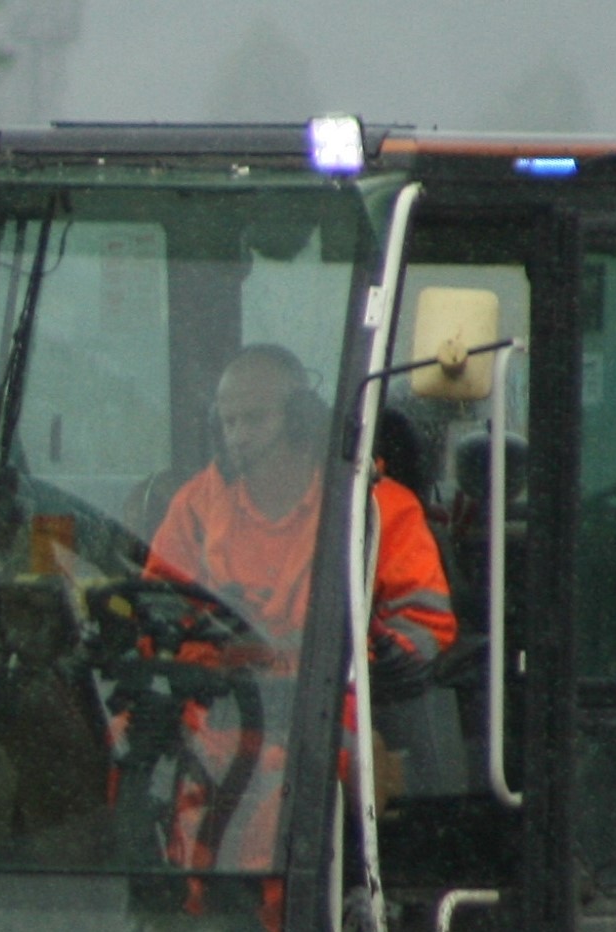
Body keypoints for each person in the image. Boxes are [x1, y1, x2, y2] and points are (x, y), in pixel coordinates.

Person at [140, 344, 459, 877]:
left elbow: (423, 624)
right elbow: (157, 612)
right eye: (229, 421)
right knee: (128, 748)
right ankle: (173, 919)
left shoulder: (376, 510)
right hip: (220, 704)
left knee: (281, 797)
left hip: (326, 707)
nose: (238, 435)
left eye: (255, 419)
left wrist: (368, 651)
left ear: (302, 419)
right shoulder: (197, 507)